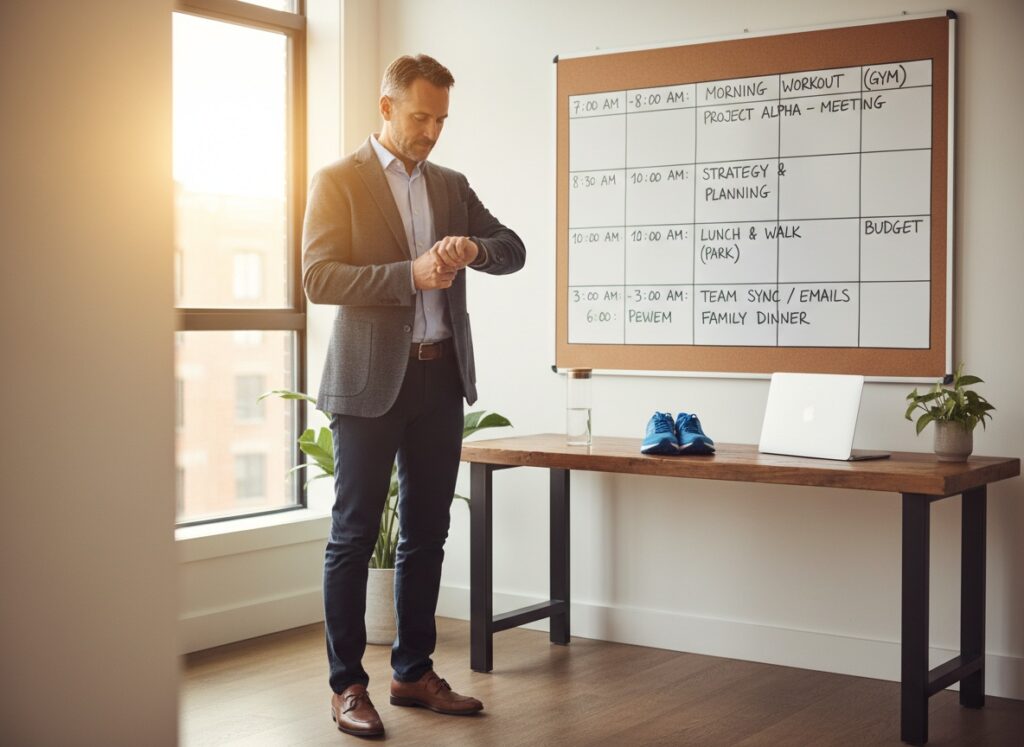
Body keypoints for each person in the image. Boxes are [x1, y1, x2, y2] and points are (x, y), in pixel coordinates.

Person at [301, 54, 526, 738]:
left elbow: (511, 246)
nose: (431, 131)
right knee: (353, 534)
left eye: (441, 119)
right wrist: (412, 273)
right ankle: (347, 686)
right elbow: (318, 277)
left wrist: (471, 251)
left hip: (439, 377)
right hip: (368, 383)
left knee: (427, 532)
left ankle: (412, 671)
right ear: (387, 106)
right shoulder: (338, 180)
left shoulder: (452, 186)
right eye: (420, 116)